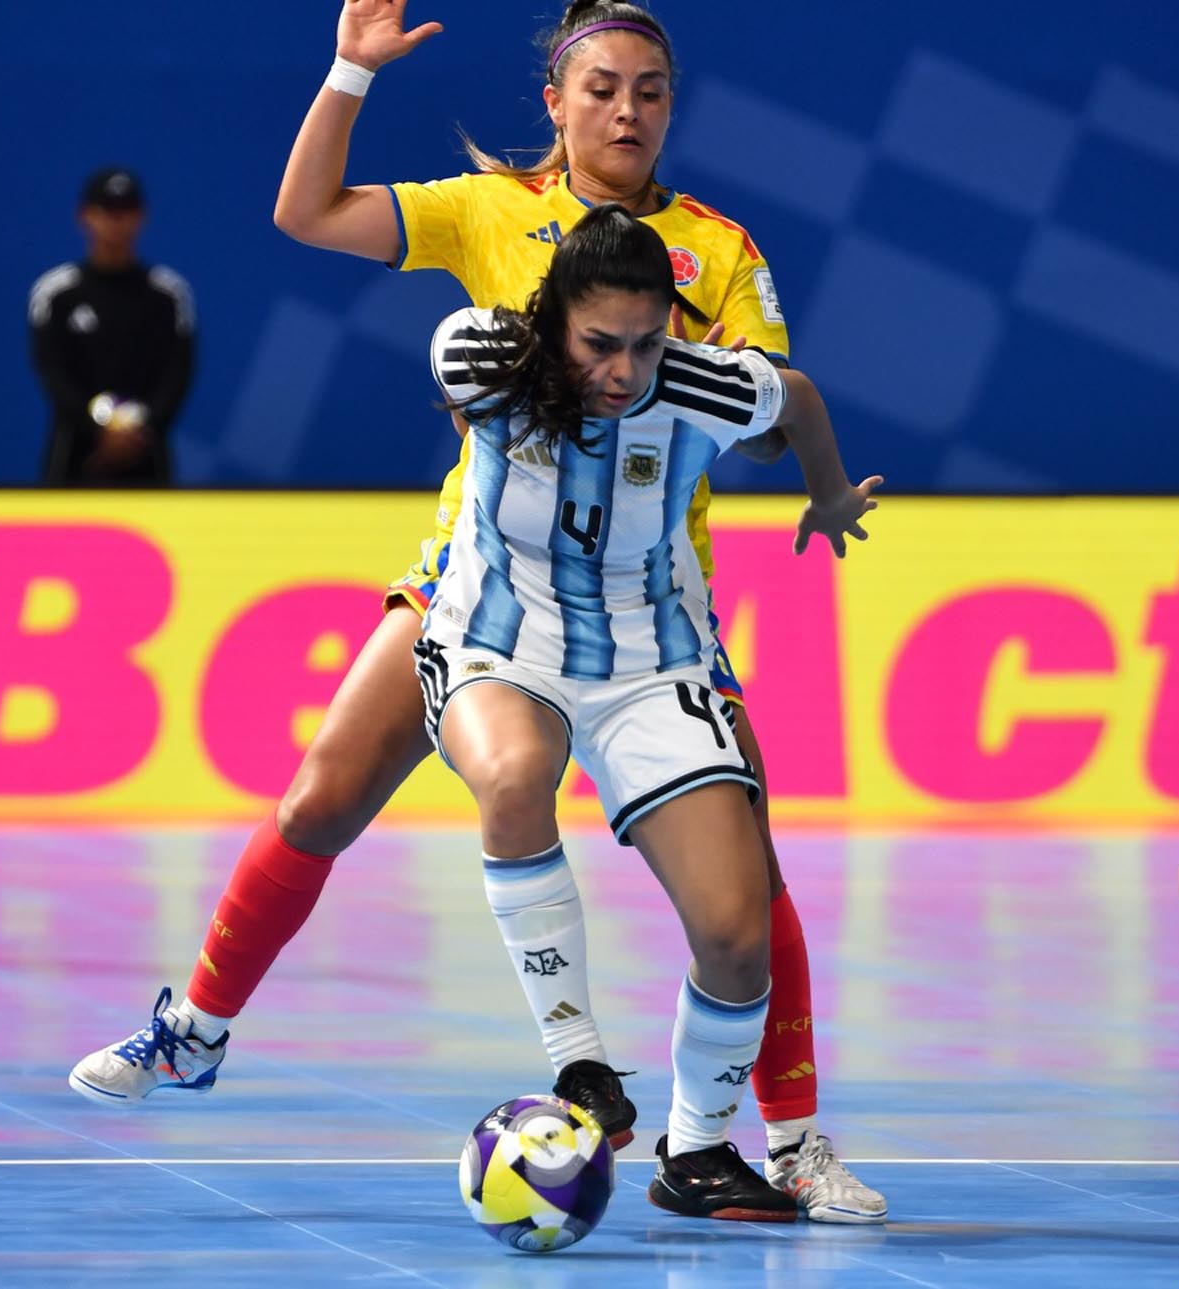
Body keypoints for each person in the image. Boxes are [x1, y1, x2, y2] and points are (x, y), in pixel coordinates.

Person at [69, 0, 887, 1224]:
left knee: (744, 877)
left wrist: (722, 415)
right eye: (602, 88)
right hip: (481, 570)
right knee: (317, 802)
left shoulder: (716, 250)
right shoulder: (487, 210)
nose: (627, 111)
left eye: (651, 90)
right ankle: (195, 1027)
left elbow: (775, 414)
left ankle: (791, 1138)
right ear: (555, 101)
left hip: (650, 598)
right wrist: (350, 70)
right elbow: (305, 214)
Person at [424, 202, 877, 1217]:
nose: (624, 371)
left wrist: (831, 493)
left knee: (736, 928)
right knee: (510, 775)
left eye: (644, 342)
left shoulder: (700, 379)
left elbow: (796, 399)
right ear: (552, 322)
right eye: (598, 345)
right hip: (505, 633)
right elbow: (462, 382)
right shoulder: (484, 355)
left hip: (651, 654)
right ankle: (579, 1061)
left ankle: (699, 1148)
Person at [29, 167, 195, 485]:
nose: (116, 221)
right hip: (74, 454)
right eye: (106, 210)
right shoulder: (56, 293)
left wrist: (139, 426)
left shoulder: (168, 294)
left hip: (146, 451)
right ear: (85, 216)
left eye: (126, 210)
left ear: (141, 216)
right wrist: (97, 429)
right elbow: (52, 372)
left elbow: (177, 373)